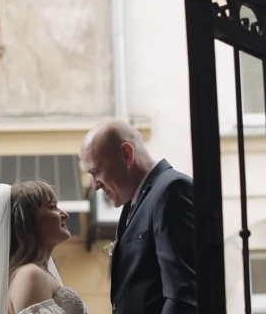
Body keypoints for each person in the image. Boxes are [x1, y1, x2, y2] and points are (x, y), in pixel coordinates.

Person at [80, 119, 196, 314]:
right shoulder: (135, 202)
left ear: (126, 154)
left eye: (96, 172)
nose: (95, 185)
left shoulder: (171, 190)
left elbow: (183, 296)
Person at [0, 180, 90, 314]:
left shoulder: (37, 273)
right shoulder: (30, 275)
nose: (65, 214)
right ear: (29, 221)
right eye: (52, 207)